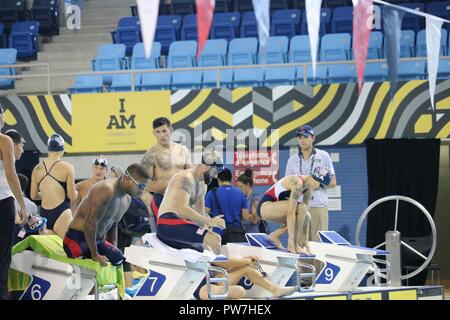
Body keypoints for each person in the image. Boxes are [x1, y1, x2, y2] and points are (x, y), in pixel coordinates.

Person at [63, 164, 150, 266]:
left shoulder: (127, 199)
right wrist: (95, 255)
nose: (142, 191)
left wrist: (113, 248)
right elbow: (90, 223)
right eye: (141, 186)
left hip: (98, 241)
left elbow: (113, 225)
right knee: (89, 259)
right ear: (127, 180)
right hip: (77, 239)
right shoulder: (106, 189)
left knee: (118, 259)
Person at [156, 150, 226, 254]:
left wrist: (208, 226)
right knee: (214, 239)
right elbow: (182, 210)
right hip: (167, 222)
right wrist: (208, 222)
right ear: (206, 166)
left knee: (207, 245)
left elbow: (200, 215)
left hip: (179, 224)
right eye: (215, 172)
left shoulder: (203, 186)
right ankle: (221, 269)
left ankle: (215, 269)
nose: (215, 177)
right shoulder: (187, 178)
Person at [257, 167, 331, 254]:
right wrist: (291, 242)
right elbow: (290, 212)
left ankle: (275, 235)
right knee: (301, 208)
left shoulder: (308, 190)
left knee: (307, 216)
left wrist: (305, 240)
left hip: (277, 208)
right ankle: (294, 244)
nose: (319, 189)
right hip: (265, 207)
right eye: (321, 185)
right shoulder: (297, 183)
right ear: (315, 179)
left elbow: (305, 217)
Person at [285, 125, 336, 241]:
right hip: (299, 206)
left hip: (318, 207)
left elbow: (333, 183)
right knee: (299, 245)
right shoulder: (292, 160)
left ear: (313, 138)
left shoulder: (323, 156)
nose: (303, 140)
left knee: (319, 247)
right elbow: (287, 185)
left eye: (306, 137)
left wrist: (318, 183)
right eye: (300, 137)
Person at [0, 104, 28, 300]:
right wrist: (23, 205)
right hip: (3, 201)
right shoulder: (5, 140)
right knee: (2, 257)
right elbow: (11, 175)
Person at [140, 117, 192, 222]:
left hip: (183, 199)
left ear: (171, 130)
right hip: (162, 200)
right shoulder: (150, 154)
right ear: (153, 133)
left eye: (164, 131)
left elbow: (191, 176)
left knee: (185, 234)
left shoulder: (183, 150)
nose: (162, 135)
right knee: (166, 235)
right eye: (158, 132)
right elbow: (142, 184)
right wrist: (150, 201)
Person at [30, 134, 77, 239]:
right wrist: (76, 193)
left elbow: (33, 196)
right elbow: (72, 196)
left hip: (44, 213)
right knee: (66, 249)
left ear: (48, 149)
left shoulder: (37, 168)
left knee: (49, 250)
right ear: (62, 150)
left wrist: (48, 194)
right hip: (62, 212)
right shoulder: (68, 168)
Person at [195, 256, 297, 300]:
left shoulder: (203, 245)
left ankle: (275, 289)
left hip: (215, 282)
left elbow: (224, 262)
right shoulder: (189, 245)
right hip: (202, 288)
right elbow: (223, 263)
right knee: (239, 291)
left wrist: (246, 260)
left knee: (247, 267)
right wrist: (247, 260)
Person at [205, 168, 251, 244]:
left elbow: (205, 214)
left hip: (218, 234)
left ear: (218, 180)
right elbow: (246, 217)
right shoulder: (240, 194)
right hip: (236, 235)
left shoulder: (212, 193)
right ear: (231, 179)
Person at [236, 169, 263, 234]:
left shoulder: (255, 199)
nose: (239, 189)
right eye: (238, 187)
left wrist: (245, 215)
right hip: (243, 233)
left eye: (241, 187)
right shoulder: (243, 198)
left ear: (247, 184)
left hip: (253, 233)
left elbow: (255, 220)